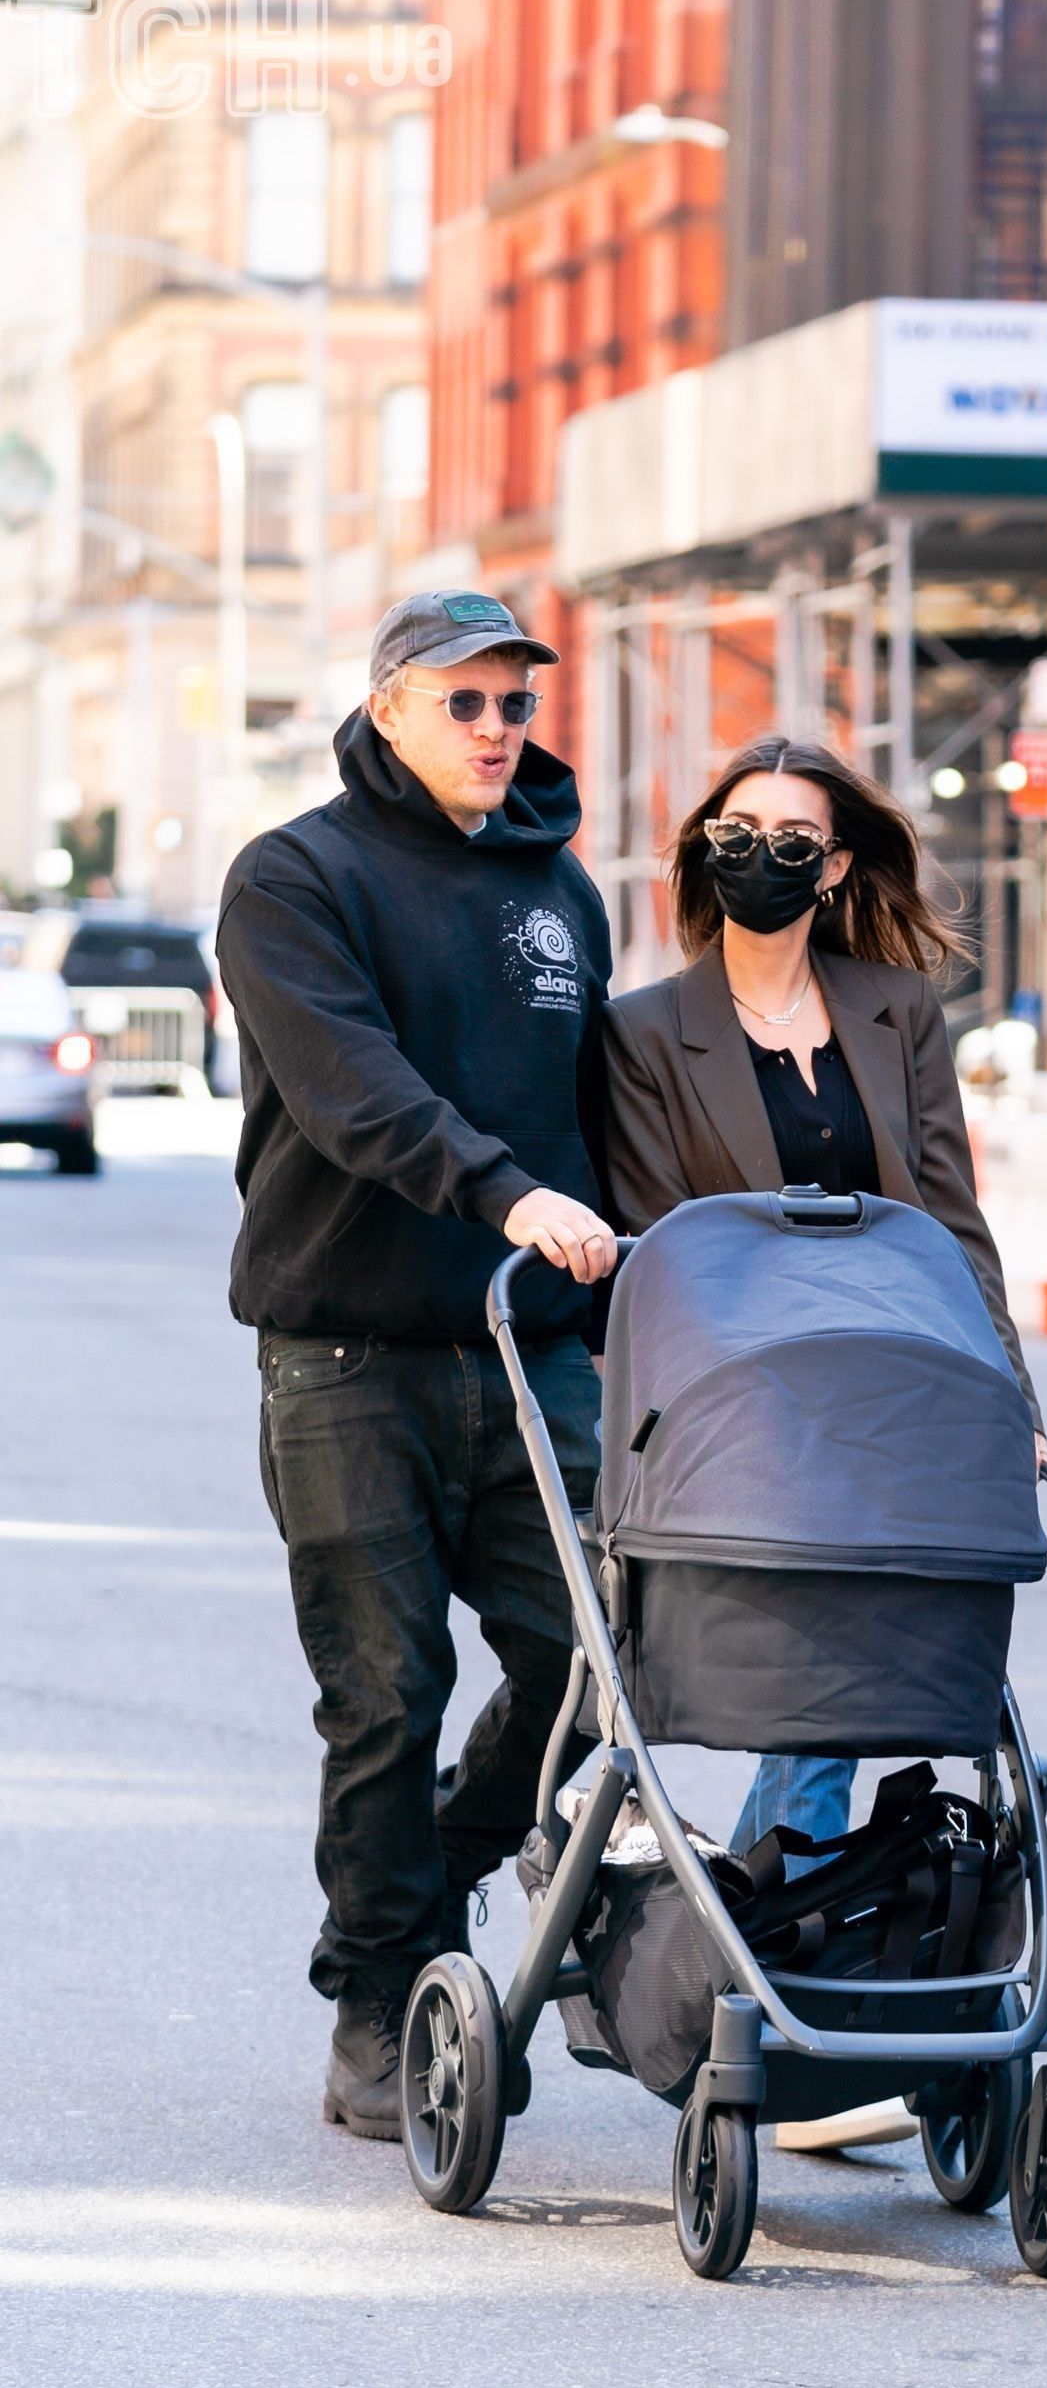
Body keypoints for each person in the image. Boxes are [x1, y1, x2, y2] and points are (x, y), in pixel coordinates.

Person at [217, 591, 619, 2139]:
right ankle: (379, 2002)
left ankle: (433, 1871)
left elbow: (602, 1122)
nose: (498, 728)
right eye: (465, 702)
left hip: (533, 1360)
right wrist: (505, 1190)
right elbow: (349, 1091)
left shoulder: (558, 894)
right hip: (346, 1353)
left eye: (516, 702)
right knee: (385, 1691)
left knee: (604, 1663)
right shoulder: (293, 879)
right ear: (388, 707)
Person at [601, 732, 1045, 1868]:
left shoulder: (898, 1012)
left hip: (898, 1381)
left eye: (794, 840)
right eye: (739, 835)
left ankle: (767, 1922)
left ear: (836, 865)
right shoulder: (645, 1031)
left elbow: (951, 1225)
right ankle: (776, 1923)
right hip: (746, 1393)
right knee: (820, 1666)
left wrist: (1008, 1396)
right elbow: (664, 1243)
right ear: (706, 849)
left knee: (855, 1671)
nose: (763, 856)